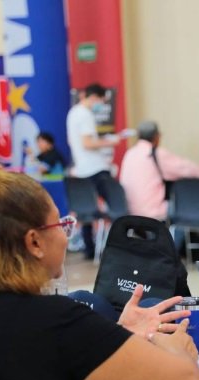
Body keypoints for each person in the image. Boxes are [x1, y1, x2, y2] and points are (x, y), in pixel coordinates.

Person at [0, 170, 199, 380]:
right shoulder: (55, 319)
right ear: (34, 242)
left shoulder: (53, 323)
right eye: (61, 225)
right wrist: (175, 345)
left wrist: (114, 336)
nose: (66, 236)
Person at [66, 83, 121, 259]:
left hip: (81, 170)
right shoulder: (86, 114)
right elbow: (88, 143)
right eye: (102, 101)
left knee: (87, 211)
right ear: (95, 97)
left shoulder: (73, 113)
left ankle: (89, 249)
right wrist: (110, 141)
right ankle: (122, 246)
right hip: (95, 169)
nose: (101, 105)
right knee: (118, 207)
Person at [120, 120, 199, 221]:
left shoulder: (129, 153)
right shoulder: (155, 154)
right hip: (152, 213)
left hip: (129, 213)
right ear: (157, 136)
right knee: (191, 203)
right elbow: (185, 169)